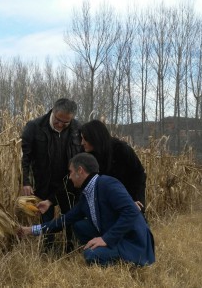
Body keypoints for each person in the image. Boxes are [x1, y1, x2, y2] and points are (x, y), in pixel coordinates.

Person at [18, 153, 155, 267]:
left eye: (71, 172)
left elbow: (132, 211)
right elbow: (63, 221)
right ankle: (105, 251)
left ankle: (132, 261)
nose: (70, 177)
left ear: (80, 171)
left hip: (132, 241)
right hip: (116, 235)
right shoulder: (86, 195)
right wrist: (29, 230)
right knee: (79, 226)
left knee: (91, 256)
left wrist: (106, 239)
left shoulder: (107, 184)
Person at [20, 98, 82, 251]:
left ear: (72, 119)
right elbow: (25, 157)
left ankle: (70, 249)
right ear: (53, 111)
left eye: (65, 122)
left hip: (68, 183)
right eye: (58, 120)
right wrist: (26, 181)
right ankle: (47, 251)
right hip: (44, 183)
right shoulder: (34, 127)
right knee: (46, 219)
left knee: (69, 218)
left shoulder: (77, 129)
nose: (61, 125)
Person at [81, 120, 147, 212]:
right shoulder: (87, 155)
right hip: (105, 202)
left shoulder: (121, 149)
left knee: (137, 223)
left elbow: (139, 174)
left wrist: (136, 200)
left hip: (128, 198)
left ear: (94, 138)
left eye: (85, 139)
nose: (82, 142)